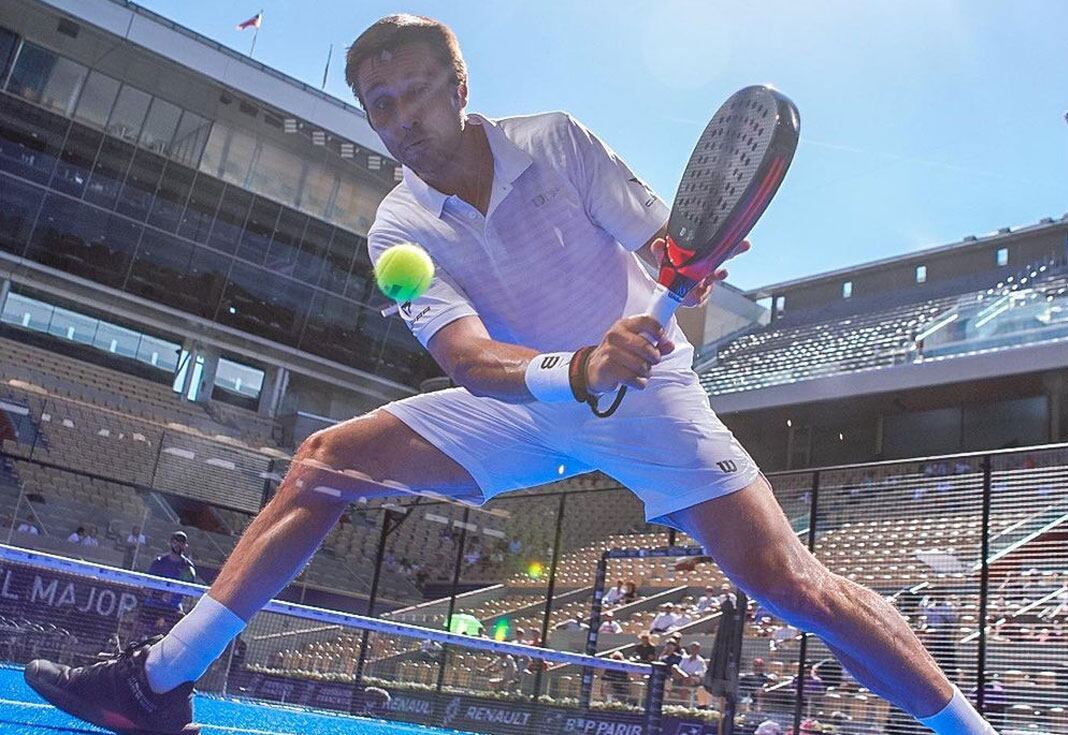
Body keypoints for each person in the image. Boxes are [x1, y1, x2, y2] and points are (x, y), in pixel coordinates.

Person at [23, 14, 1000, 735]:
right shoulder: (395, 231)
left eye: (410, 92)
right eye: (378, 106)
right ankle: (158, 681)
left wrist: (675, 283)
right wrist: (573, 367)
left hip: (650, 404)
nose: (396, 118)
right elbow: (465, 360)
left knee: (791, 583)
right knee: (325, 461)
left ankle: (973, 731)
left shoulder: (560, 142)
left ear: (458, 83)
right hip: (526, 401)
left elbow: (671, 259)